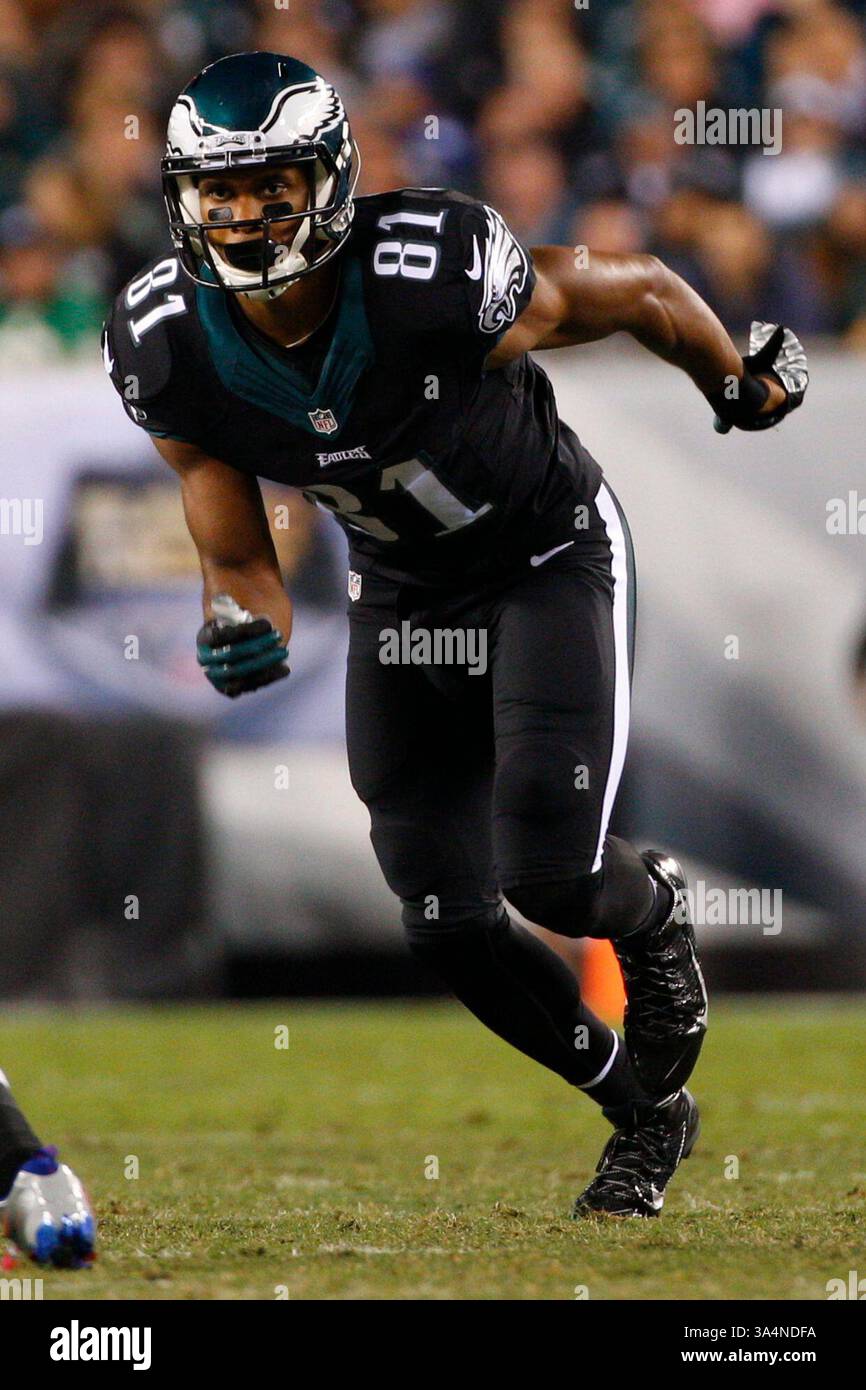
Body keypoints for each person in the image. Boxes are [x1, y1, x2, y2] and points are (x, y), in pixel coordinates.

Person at [102, 52, 808, 1217]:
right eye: (217, 189)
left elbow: (626, 288)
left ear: (328, 177)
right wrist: (238, 623)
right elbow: (240, 563)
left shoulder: (429, 274)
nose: (241, 213)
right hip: (402, 595)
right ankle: (643, 1114)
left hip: (542, 556)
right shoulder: (169, 344)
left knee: (551, 869)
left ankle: (648, 909)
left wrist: (731, 381)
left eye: (269, 182)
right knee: (440, 916)